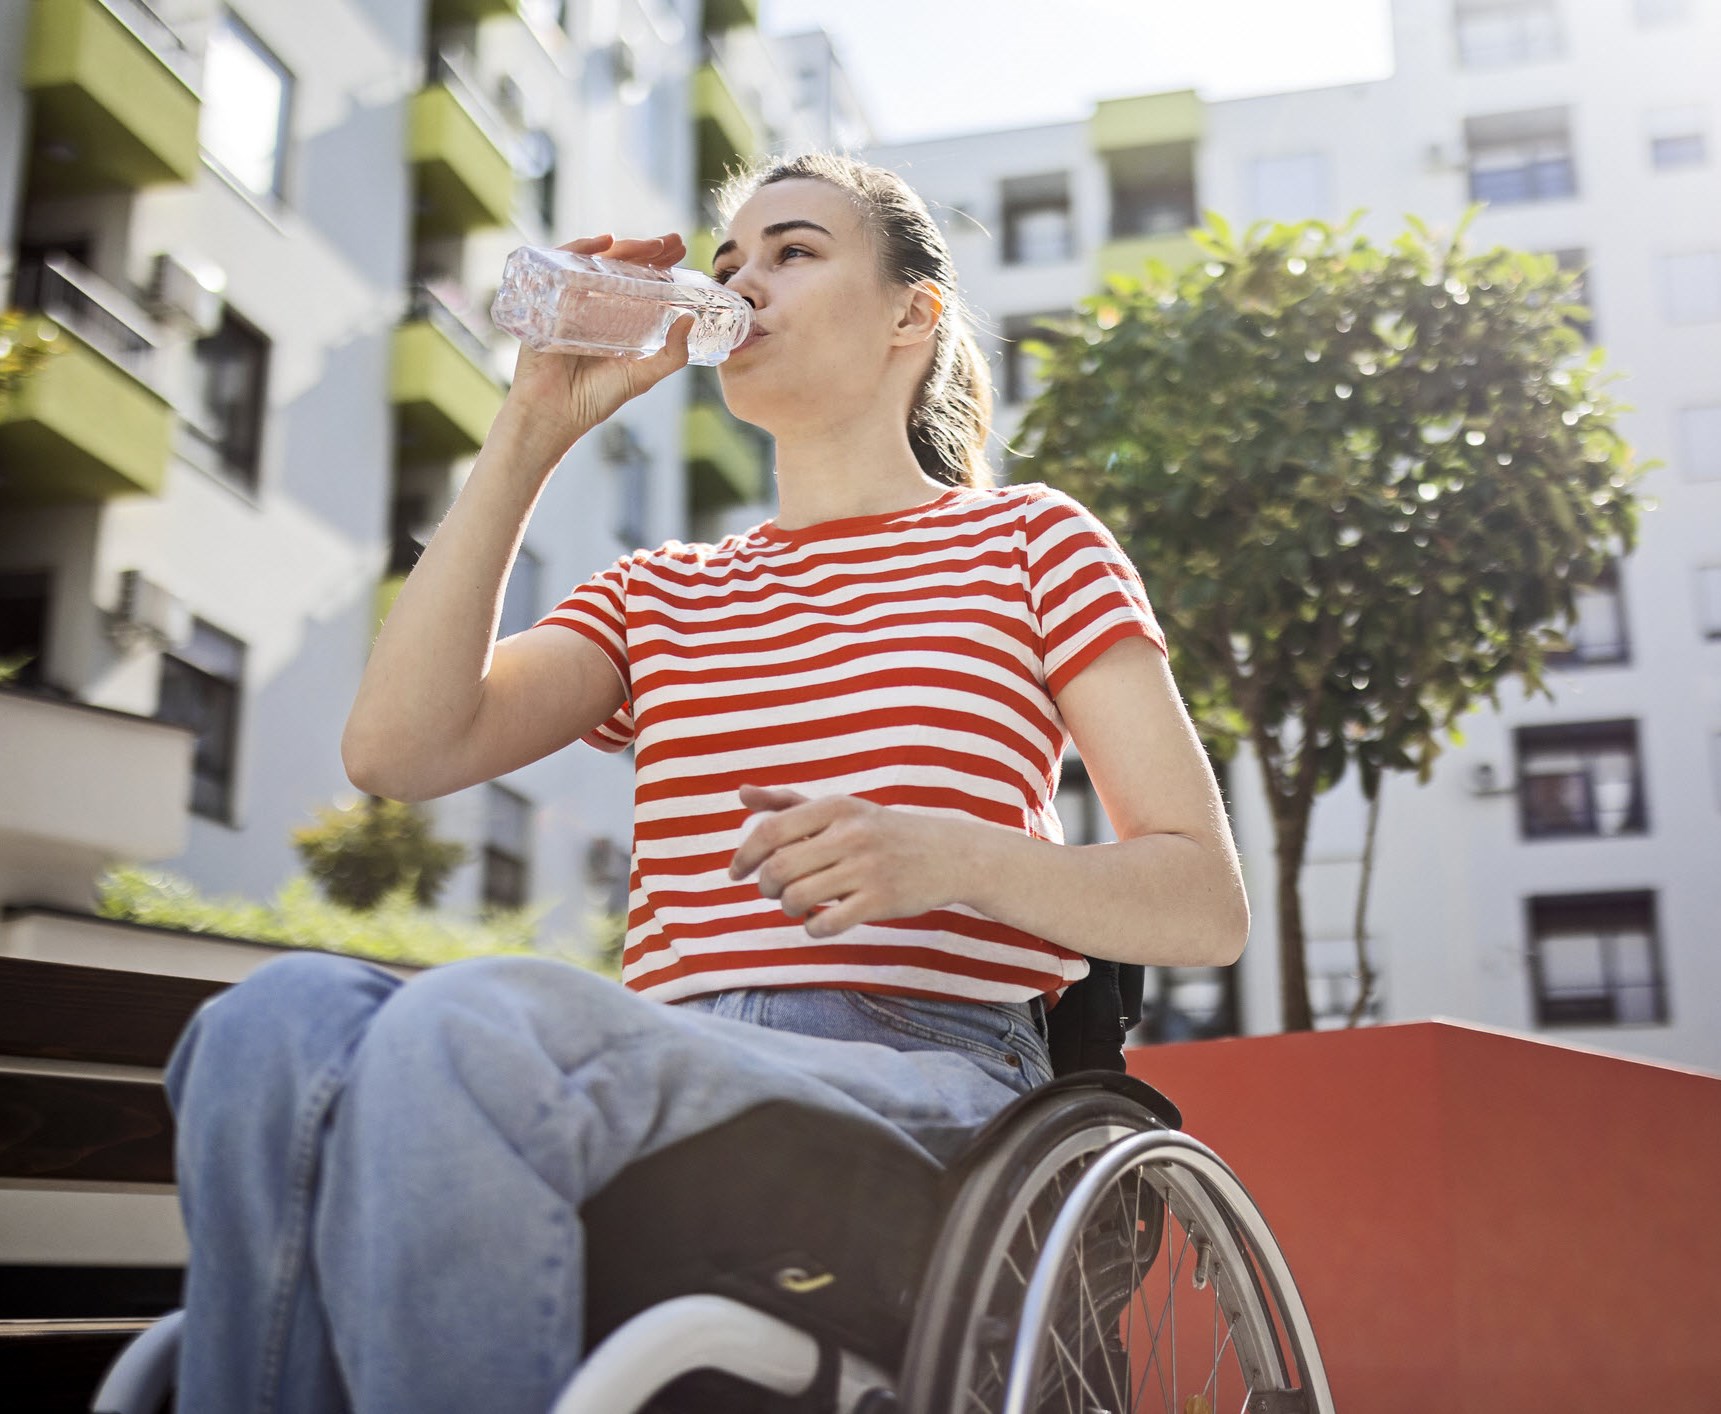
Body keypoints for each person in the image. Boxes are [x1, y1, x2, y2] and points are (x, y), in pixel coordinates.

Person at [164, 151, 1249, 1413]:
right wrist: (532, 429)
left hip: (932, 1085)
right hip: (666, 1050)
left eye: (793, 251)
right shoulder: (663, 589)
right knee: (267, 1024)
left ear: (915, 313)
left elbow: (1199, 901)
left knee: (468, 1028)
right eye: (728, 262)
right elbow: (398, 749)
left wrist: (942, 857)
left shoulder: (1026, 543)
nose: (741, 283)